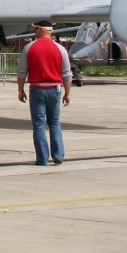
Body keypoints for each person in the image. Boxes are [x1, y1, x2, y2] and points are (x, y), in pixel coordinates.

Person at [16, 20, 73, 166]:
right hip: (55, 89)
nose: (35, 32)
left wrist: (20, 90)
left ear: (41, 30)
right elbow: (67, 74)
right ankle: (58, 154)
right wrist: (67, 93)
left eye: (36, 30)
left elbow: (22, 72)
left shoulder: (29, 48)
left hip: (37, 89)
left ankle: (42, 159)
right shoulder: (60, 49)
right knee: (54, 122)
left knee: (39, 125)